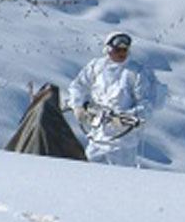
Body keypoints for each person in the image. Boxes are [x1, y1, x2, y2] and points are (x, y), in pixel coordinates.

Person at [66, 31, 161, 167]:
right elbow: (78, 86)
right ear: (108, 49)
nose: (121, 53)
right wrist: (78, 106)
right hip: (98, 135)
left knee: (121, 177)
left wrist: (125, 118)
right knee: (88, 171)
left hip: (123, 141)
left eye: (125, 50)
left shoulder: (137, 72)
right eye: (117, 50)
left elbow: (147, 104)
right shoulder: (97, 67)